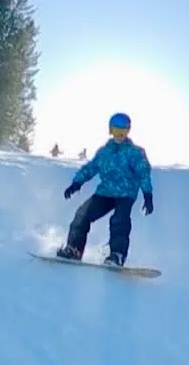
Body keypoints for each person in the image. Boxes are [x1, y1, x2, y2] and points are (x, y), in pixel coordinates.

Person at [55, 112, 154, 267]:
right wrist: (77, 183)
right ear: (110, 130)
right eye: (116, 130)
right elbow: (91, 168)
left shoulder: (135, 153)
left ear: (128, 131)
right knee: (82, 214)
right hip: (105, 193)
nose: (120, 134)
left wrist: (148, 195)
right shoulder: (104, 152)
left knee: (119, 220)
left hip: (126, 194)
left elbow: (144, 173)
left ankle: (117, 255)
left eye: (123, 131)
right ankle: (74, 249)